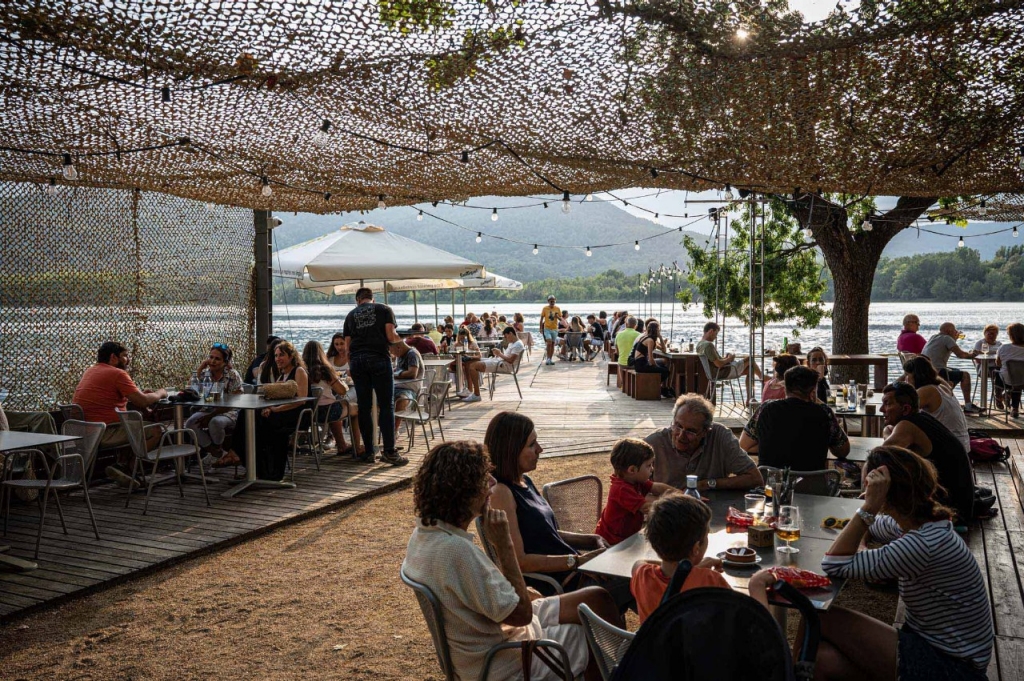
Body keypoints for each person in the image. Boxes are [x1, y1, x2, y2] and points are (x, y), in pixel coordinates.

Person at [402, 440, 621, 681]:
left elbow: (484, 595)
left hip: (499, 632)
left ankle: (626, 665)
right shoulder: (456, 551)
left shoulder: (425, 533)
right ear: (463, 490)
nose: (492, 482)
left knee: (596, 598)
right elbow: (521, 615)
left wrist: (520, 592)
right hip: (505, 660)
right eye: (484, 477)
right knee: (592, 633)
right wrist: (504, 545)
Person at [817, 446, 993, 681]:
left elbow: (833, 563)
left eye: (868, 487)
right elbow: (871, 527)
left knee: (820, 617)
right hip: (933, 646)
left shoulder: (922, 544)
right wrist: (863, 536)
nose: (865, 493)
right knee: (822, 661)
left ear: (883, 491)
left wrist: (869, 508)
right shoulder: (922, 523)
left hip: (954, 667)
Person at [485, 412, 611, 594]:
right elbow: (519, 561)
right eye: (532, 444)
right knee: (638, 580)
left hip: (576, 573)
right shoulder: (501, 493)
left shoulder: (524, 481)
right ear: (510, 450)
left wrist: (592, 539)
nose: (540, 449)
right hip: (559, 585)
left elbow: (548, 533)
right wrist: (577, 561)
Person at [631, 495, 775, 625]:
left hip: (657, 646)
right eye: (706, 535)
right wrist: (757, 585)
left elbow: (640, 563)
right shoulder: (711, 580)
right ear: (696, 548)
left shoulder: (642, 575)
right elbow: (756, 626)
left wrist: (690, 569)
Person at [73, 341, 167, 487]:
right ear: (113, 357)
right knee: (155, 430)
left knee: (131, 425)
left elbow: (120, 399)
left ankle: (122, 466)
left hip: (85, 433)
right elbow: (142, 401)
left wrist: (142, 396)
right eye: (124, 356)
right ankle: (128, 468)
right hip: (105, 432)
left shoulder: (91, 371)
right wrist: (160, 393)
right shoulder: (117, 373)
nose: (128, 360)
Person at [879, 382, 973, 523]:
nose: (881, 409)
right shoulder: (922, 417)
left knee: (872, 522)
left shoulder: (906, 426)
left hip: (950, 513)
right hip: (961, 505)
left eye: (887, 404)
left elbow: (879, 457)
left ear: (905, 409)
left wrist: (887, 433)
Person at [342, 287, 408, 466]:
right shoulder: (384, 309)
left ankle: (369, 452)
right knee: (386, 405)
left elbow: (347, 347)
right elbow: (390, 336)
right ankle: (389, 452)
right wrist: (402, 341)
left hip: (357, 361)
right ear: (373, 298)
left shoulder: (350, 316)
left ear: (357, 300)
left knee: (364, 407)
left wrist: (351, 366)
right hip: (378, 358)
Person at [740, 366, 850, 471]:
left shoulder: (765, 409)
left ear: (785, 387)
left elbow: (743, 445)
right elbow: (843, 451)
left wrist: (775, 443)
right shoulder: (825, 412)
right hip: (812, 481)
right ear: (813, 391)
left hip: (772, 480)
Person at [645, 395, 763, 491]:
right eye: (678, 426)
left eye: (691, 431)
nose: (681, 436)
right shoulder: (653, 443)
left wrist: (707, 484)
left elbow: (755, 479)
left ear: (705, 432)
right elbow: (634, 489)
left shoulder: (720, 437)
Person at [595, 438, 677, 546]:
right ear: (632, 470)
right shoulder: (621, 489)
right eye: (648, 465)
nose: (652, 469)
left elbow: (656, 487)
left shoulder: (635, 480)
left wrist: (679, 493)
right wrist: (675, 504)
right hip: (611, 543)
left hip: (628, 538)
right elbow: (648, 508)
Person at [252, 341, 309, 481]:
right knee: (255, 419)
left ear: (291, 356)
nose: (278, 358)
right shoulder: (282, 374)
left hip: (297, 415)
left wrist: (277, 409)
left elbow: (301, 400)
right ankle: (261, 468)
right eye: (276, 355)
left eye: (281, 355)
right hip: (282, 412)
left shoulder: (299, 371)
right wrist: (268, 408)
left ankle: (272, 471)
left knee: (263, 424)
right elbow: (275, 398)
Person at [184, 343, 244, 467]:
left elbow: (234, 402)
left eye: (217, 359)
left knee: (215, 422)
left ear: (225, 362)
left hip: (230, 411)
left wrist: (210, 416)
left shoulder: (232, 375)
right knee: (190, 423)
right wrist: (201, 367)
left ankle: (217, 451)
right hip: (209, 409)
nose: (212, 361)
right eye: (211, 357)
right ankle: (217, 453)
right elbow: (189, 389)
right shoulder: (205, 374)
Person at [901, 356, 970, 453]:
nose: (905, 379)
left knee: (897, 428)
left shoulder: (927, 391)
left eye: (907, 375)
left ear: (916, 376)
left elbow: (903, 412)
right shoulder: (941, 386)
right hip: (962, 446)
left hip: (951, 450)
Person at [302, 340, 354, 455]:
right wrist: (339, 380)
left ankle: (340, 443)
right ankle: (352, 446)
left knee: (335, 404)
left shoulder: (301, 370)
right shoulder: (324, 369)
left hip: (309, 413)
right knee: (354, 409)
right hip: (327, 412)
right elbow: (342, 390)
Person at [920, 322, 981, 412]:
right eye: (955, 330)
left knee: (956, 371)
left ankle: (946, 396)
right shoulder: (947, 338)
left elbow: (949, 347)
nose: (956, 332)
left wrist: (954, 339)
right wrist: (973, 355)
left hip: (926, 372)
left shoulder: (934, 337)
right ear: (949, 331)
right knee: (965, 375)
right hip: (937, 372)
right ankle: (968, 406)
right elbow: (961, 355)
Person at [462, 327, 524, 402]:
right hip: (500, 362)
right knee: (470, 362)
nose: (505, 338)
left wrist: (499, 354)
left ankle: (476, 394)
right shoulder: (512, 343)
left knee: (473, 366)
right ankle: (470, 390)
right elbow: (506, 357)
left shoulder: (518, 345)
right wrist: (498, 354)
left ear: (510, 333)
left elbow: (510, 360)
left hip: (504, 366)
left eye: (506, 336)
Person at [695, 321, 763, 385]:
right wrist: (729, 359)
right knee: (750, 359)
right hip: (722, 372)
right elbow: (719, 364)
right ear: (711, 331)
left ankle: (758, 382)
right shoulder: (708, 345)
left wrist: (726, 358)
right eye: (716, 334)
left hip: (714, 373)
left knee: (750, 370)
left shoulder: (699, 345)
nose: (716, 337)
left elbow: (715, 361)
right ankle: (762, 378)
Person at [631, 320, 673, 398]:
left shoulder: (647, 338)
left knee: (663, 366)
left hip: (640, 362)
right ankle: (656, 386)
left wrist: (660, 337)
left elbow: (664, 350)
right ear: (656, 330)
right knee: (666, 371)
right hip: (641, 365)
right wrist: (656, 366)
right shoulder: (650, 341)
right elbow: (651, 359)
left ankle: (660, 387)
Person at [391, 340, 423, 436]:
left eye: (392, 351)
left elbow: (412, 373)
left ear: (398, 347)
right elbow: (397, 370)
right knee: (377, 397)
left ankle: (394, 430)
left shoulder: (412, 354)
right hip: (396, 387)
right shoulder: (400, 355)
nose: (392, 354)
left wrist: (395, 374)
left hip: (410, 390)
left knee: (402, 399)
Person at [994, 322, 1024, 418]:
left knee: (998, 370)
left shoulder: (1004, 348)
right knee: (1018, 379)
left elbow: (998, 363)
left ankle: (998, 395)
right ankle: (1014, 408)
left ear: (1011, 335)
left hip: (1007, 381)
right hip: (1022, 381)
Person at [539, 296, 561, 366]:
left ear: (555, 301)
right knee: (549, 342)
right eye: (551, 301)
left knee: (552, 344)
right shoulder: (545, 308)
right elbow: (541, 319)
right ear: (548, 301)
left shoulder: (557, 308)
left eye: (553, 301)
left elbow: (561, 319)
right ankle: (548, 358)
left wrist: (557, 316)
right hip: (547, 328)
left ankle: (550, 359)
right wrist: (540, 328)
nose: (552, 302)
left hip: (554, 328)